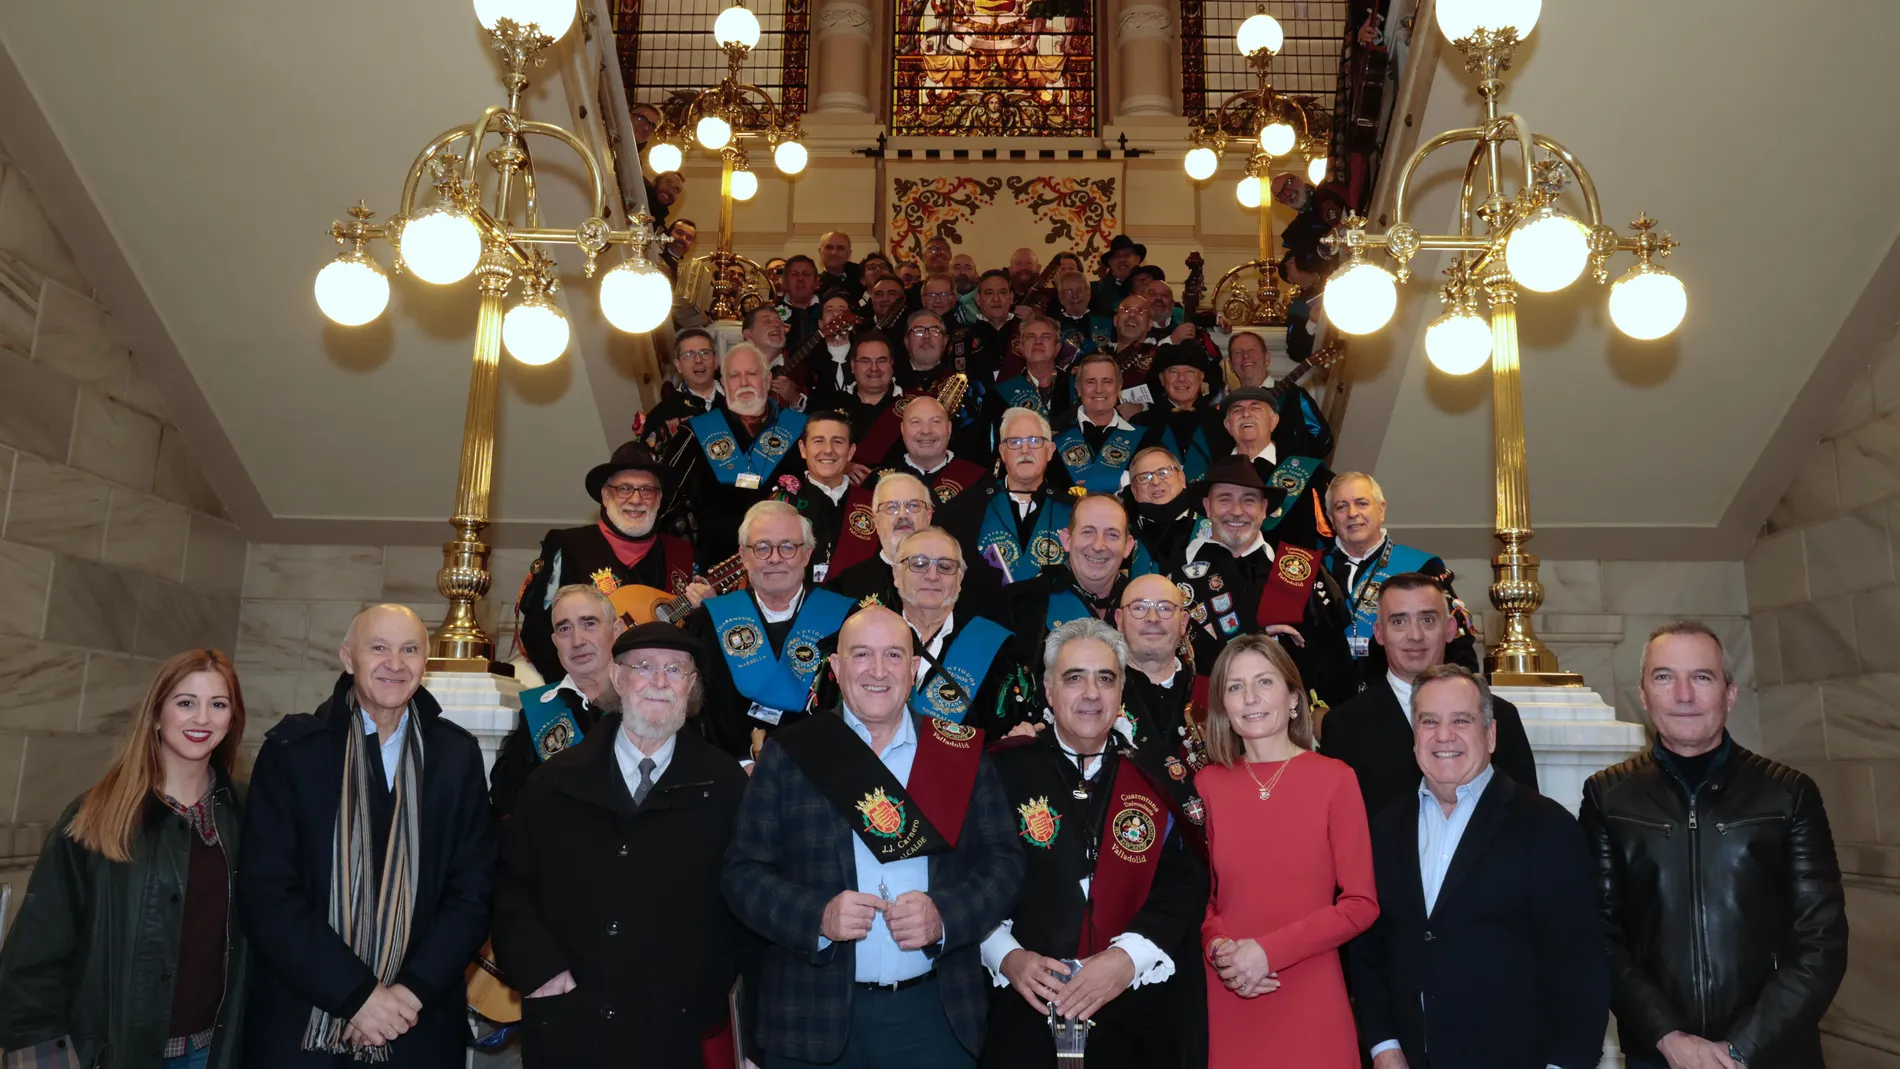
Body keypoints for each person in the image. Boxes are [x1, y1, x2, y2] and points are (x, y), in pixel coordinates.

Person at [721, 606, 1026, 1069]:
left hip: (933, 1017)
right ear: (837, 668)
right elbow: (742, 875)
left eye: (893, 655)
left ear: (914, 668)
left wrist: (945, 916)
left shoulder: (958, 750)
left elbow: (1005, 864)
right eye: (861, 655)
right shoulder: (790, 754)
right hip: (810, 1020)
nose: (878, 671)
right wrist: (818, 916)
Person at [1581, 622, 1847, 1069]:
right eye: (1664, 677)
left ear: (1730, 693)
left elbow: (1822, 941)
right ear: (1644, 695)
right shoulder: (1608, 797)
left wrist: (1740, 1049)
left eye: (1702, 677)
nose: (1684, 695)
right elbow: (1599, 936)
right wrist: (1668, 1038)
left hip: (1774, 1053)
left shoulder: (1788, 793)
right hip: (1660, 1055)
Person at [238, 605, 494, 1067]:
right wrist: (358, 996)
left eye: (410, 650)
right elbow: (268, 894)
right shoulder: (294, 752)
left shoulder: (456, 757)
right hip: (304, 1023)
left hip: (419, 1022)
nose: (395, 664)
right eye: (378, 648)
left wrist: (408, 996)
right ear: (347, 657)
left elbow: (472, 893)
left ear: (425, 662)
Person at [493, 623, 749, 1069]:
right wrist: (541, 972)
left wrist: (704, 989)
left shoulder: (726, 786)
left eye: (675, 670)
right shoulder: (553, 782)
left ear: (690, 687)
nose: (660, 681)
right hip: (567, 1020)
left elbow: (744, 901)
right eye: (644, 667)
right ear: (617, 678)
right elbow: (510, 886)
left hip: (671, 1026)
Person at [1350, 664, 1610, 1069]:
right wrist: (1383, 1046)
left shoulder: (1547, 827)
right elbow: (1369, 953)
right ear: (1414, 735)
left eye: (1461, 721)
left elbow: (1582, 970)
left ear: (1490, 735)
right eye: (1429, 721)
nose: (1444, 735)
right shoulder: (1383, 829)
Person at [0, 650, 249, 1069]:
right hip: (109, 1055)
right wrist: (42, 1060)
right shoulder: (96, 815)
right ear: (156, 715)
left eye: (218, 704)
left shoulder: (250, 811)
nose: (202, 719)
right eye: (185, 702)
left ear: (232, 719)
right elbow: (36, 956)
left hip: (215, 1053)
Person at [979, 619, 1209, 1069]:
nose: (1090, 693)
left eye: (1105, 678)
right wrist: (1007, 957)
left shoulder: (1158, 777)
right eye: (1074, 678)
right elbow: (966, 875)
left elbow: (1185, 881)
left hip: (1134, 1009)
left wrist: (1128, 958)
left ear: (1122, 691)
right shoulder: (998, 772)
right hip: (1022, 1008)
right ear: (1048, 689)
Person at [1197, 635, 1377, 1069]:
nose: (1251, 698)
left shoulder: (1335, 778)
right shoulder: (1206, 785)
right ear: (1222, 706)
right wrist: (1218, 946)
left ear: (1293, 698)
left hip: (1310, 989)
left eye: (1264, 682)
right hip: (1229, 989)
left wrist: (1268, 952)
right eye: (1235, 687)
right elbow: (1197, 895)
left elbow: (1360, 904)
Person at [1319, 572, 1537, 821]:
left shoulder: (1501, 715)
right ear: (1379, 634)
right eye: (1399, 622)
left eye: (1428, 620)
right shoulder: (1344, 725)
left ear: (1450, 629)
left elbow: (1527, 819)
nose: (1415, 635)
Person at [1169, 456, 1354, 711]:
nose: (1236, 511)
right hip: (1205, 722)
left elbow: (1334, 663)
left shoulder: (1300, 569)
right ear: (1207, 506)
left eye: (1248, 500)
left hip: (1286, 724)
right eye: (1225, 499)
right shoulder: (1173, 575)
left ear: (1264, 508)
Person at [681, 500, 856, 761]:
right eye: (762, 548)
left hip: (821, 769)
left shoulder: (846, 621)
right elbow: (692, 711)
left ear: (807, 554)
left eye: (788, 547)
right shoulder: (708, 621)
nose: (775, 558)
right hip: (729, 774)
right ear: (743, 556)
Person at [517, 440, 703, 686]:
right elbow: (538, 629)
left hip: (659, 692)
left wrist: (703, 611)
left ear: (658, 500)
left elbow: (688, 637)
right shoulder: (568, 545)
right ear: (605, 496)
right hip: (585, 694)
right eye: (624, 488)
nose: (636, 500)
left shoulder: (681, 552)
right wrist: (579, 691)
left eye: (647, 490)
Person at [490, 584, 627, 820]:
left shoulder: (648, 702)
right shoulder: (538, 711)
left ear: (617, 630)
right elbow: (508, 803)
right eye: (564, 628)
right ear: (555, 642)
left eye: (589, 623)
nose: (577, 640)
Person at [1320, 472, 1478, 678]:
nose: (1352, 513)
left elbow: (1456, 643)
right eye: (1341, 507)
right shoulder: (1315, 570)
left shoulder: (1422, 568)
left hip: (1405, 698)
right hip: (1328, 703)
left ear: (1381, 509)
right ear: (1331, 518)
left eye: (1362, 503)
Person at [664, 342, 809, 564]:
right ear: (723, 383)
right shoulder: (695, 433)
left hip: (790, 556)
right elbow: (664, 494)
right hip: (721, 563)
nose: (743, 383)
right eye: (734, 376)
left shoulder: (801, 430)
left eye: (752, 374)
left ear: (767, 379)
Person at [882, 526, 1031, 735]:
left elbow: (1007, 732)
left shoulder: (998, 649)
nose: (932, 576)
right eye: (919, 564)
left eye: (945, 566)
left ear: (959, 580)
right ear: (896, 574)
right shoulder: (867, 637)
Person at [939, 407, 1072, 585]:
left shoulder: (1072, 510)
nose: (1025, 450)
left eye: (1034, 441)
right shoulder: (968, 507)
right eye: (1014, 442)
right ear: (1002, 452)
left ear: (1050, 450)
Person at [1003, 493, 1139, 667]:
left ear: (1128, 546)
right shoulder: (1020, 604)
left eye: (1112, 535)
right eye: (1088, 532)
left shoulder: (1142, 607)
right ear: (1067, 540)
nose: (1099, 546)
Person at [1221, 386, 1333, 553]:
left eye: (1255, 407)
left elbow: (1328, 536)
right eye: (1237, 409)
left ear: (1274, 422)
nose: (1246, 414)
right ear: (1228, 425)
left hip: (1287, 574)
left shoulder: (1311, 474)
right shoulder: (1211, 474)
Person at [825, 472, 936, 609]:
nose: (902, 515)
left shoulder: (951, 577)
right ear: (876, 520)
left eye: (913, 506)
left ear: (929, 517)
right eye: (891, 507)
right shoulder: (845, 588)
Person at [771, 411, 858, 577]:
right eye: (818, 441)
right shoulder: (782, 504)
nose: (828, 450)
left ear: (851, 451)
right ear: (803, 449)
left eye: (838, 442)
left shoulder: (873, 502)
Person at [1135, 342, 1226, 482]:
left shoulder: (1222, 423)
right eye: (1173, 372)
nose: (1181, 379)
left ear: (1201, 377)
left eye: (1190, 372)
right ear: (1161, 379)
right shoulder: (1140, 424)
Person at [1052, 352, 1141, 493]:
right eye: (1090, 382)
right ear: (1078, 389)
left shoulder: (1144, 439)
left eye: (1107, 381)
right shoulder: (1054, 439)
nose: (1099, 390)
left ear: (1119, 387)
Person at [638, 327, 722, 453]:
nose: (698, 360)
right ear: (678, 365)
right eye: (688, 355)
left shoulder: (737, 400)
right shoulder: (661, 415)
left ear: (716, 360)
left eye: (705, 353)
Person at [835, 333, 905, 468]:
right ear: (853, 366)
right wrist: (842, 467)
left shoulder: (912, 405)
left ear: (892, 364)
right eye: (865, 361)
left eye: (881, 360)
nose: (874, 368)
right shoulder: (832, 404)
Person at [1126, 446, 1198, 567]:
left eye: (1163, 473)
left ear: (1182, 479)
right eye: (1144, 477)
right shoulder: (1123, 534)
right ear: (1134, 490)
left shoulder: (1212, 527)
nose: (1155, 482)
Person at [991, 313, 1075, 416]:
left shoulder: (1076, 387)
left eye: (1046, 337)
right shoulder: (1001, 395)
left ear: (1057, 347)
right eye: (1031, 337)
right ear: (1021, 347)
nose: (1038, 342)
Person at [950, 270, 1017, 384]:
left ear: (1011, 297)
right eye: (989, 293)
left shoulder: (1027, 333)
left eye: (1002, 292)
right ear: (978, 299)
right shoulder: (962, 339)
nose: (996, 299)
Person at [1052, 269, 1109, 357]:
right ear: (1061, 297)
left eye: (1079, 290)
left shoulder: (1106, 321)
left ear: (1089, 292)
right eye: (1069, 291)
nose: (1075, 295)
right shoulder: (1052, 326)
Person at [1106, 295, 1157, 392]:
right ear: (1115, 320)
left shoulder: (1158, 357)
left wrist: (1143, 406)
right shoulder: (1097, 356)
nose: (1132, 315)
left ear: (1150, 324)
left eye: (1140, 311)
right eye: (1125, 309)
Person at [777, 255, 825, 349]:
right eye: (794, 274)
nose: (800, 279)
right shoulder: (772, 313)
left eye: (806, 274)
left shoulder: (828, 309)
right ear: (785, 282)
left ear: (817, 282)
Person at [1092, 234, 1146, 316]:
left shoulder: (1148, 287)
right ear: (1110, 263)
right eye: (1117, 256)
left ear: (1137, 259)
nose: (1122, 259)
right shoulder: (1096, 291)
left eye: (1127, 255)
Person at [818, 231, 862, 299]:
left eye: (840, 248)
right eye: (829, 247)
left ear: (849, 254)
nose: (834, 252)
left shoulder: (862, 279)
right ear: (820, 252)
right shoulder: (813, 285)